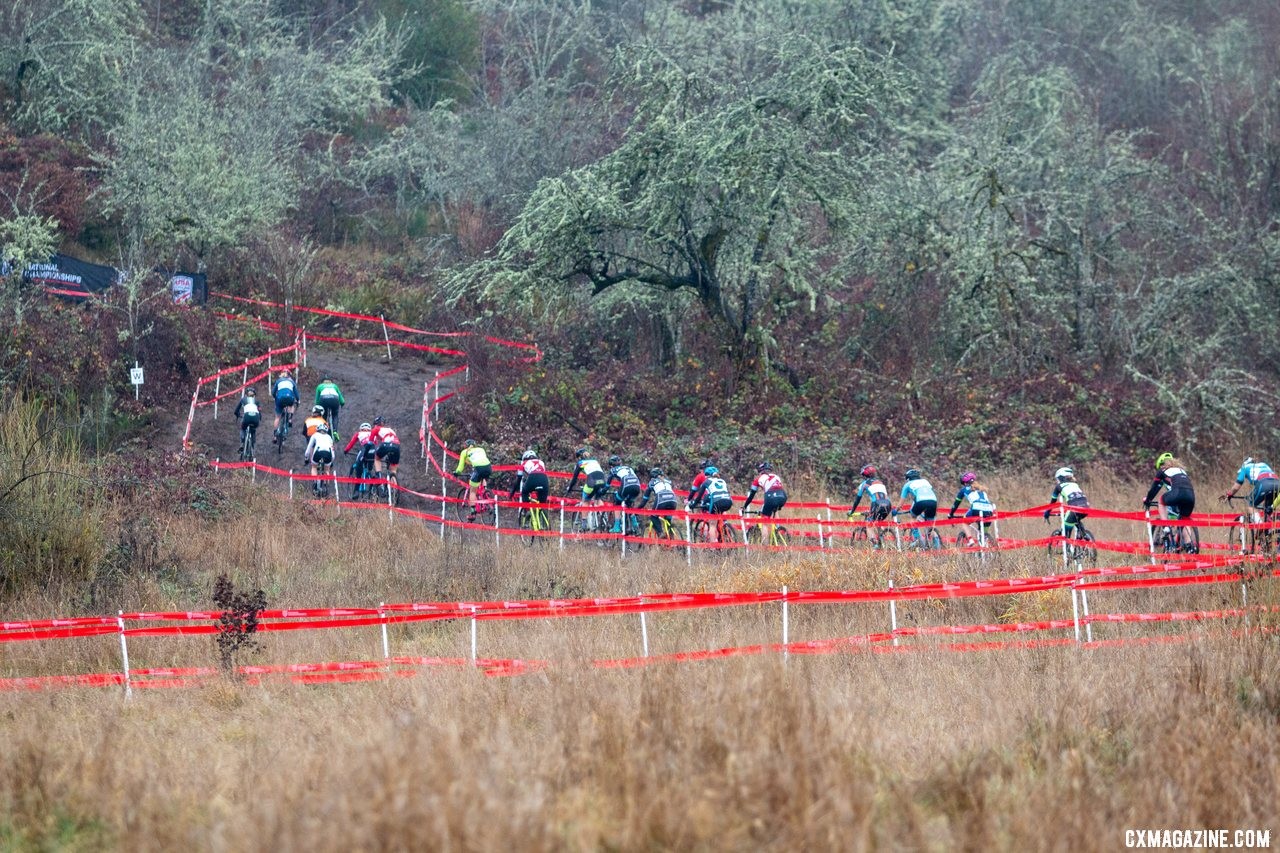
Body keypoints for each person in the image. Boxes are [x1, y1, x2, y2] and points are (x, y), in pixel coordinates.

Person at [947, 471, 996, 546]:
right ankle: (985, 542)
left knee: (964, 521)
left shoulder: (964, 489)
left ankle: (970, 540)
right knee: (983, 534)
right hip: (989, 510)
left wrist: (951, 514)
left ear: (965, 483)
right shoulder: (981, 488)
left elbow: (956, 504)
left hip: (976, 508)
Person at [1144, 452, 1195, 522]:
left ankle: (1166, 527)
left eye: (1160, 466)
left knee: (1161, 501)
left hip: (1177, 493)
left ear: (1163, 465)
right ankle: (1185, 533)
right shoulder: (1182, 471)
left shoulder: (1163, 471)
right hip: (1191, 496)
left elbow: (1154, 488)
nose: (1160, 468)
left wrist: (1148, 500)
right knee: (1184, 521)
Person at [894, 468, 938, 545]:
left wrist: (896, 510)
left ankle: (916, 538)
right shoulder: (925, 481)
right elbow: (927, 494)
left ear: (908, 478)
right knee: (930, 525)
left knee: (913, 517)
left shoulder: (907, 484)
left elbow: (901, 503)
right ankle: (936, 544)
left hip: (921, 501)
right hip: (933, 501)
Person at [454, 438, 491, 518]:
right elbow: (481, 460)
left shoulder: (464, 452)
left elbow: (460, 467)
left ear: (466, 446)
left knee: (473, 491)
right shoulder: (481, 449)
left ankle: (473, 513)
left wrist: (457, 473)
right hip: (488, 467)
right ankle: (485, 491)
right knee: (482, 476)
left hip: (478, 469)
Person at [605, 455, 643, 533]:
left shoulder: (613, 470)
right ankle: (635, 526)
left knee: (617, 503)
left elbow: (607, 485)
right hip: (637, 486)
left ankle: (616, 527)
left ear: (611, 466)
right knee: (629, 504)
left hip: (626, 485)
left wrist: (602, 491)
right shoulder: (628, 468)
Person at [637, 467, 680, 535]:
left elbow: (645, 499)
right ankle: (671, 538)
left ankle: (660, 533)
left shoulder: (652, 482)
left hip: (661, 499)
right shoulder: (668, 481)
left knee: (653, 516)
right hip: (673, 500)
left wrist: (638, 509)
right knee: (668, 519)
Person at [370, 416, 402, 493]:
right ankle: (394, 489)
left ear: (376, 424)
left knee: (377, 458)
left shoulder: (376, 429)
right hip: (397, 446)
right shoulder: (390, 429)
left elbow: (370, 442)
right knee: (393, 469)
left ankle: (379, 476)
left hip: (386, 445)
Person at [303, 423, 336, 495]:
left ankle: (315, 482)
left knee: (314, 466)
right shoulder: (329, 437)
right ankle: (326, 485)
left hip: (318, 452)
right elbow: (332, 451)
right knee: (327, 469)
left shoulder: (315, 435)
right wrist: (331, 461)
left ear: (318, 430)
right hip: (328, 453)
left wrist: (306, 457)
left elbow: (309, 447)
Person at [271, 369, 298, 436]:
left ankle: (274, 436)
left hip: (279, 399)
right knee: (291, 405)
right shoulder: (292, 381)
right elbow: (296, 393)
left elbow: (273, 392)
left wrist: (275, 397)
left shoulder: (278, 381)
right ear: (289, 375)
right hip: (289, 398)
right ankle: (290, 419)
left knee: (277, 417)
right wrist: (298, 400)